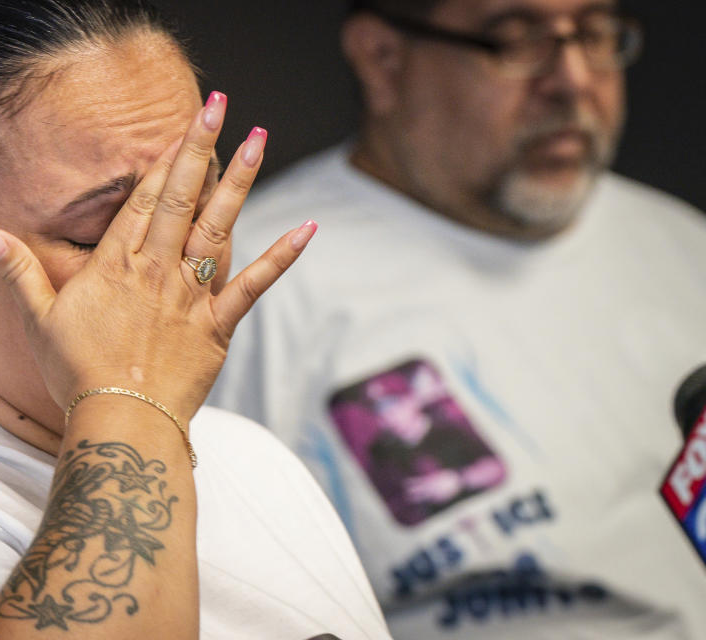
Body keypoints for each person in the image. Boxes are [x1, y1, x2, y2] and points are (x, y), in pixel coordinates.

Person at [0, 2, 391, 638]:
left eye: (195, 203)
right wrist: (134, 394)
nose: (167, 267)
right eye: (95, 235)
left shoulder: (252, 457)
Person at [211, 0, 706, 637]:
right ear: (382, 58)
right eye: (516, 40)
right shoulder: (254, 285)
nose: (573, 80)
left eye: (595, 34)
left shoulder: (682, 248)